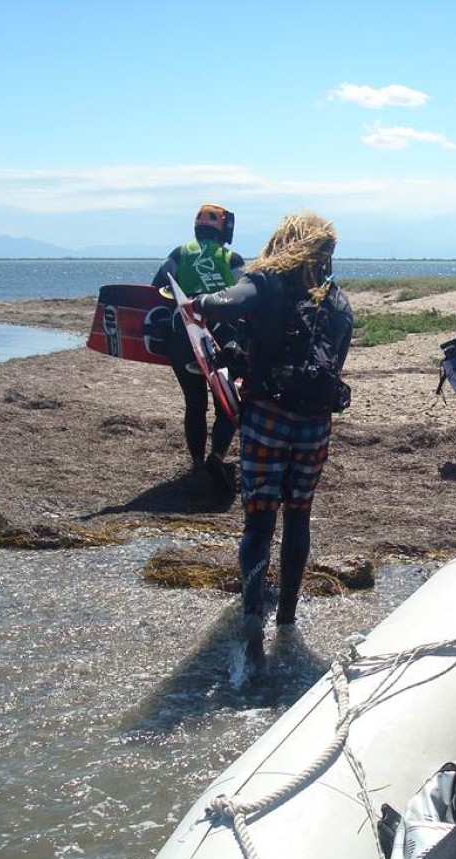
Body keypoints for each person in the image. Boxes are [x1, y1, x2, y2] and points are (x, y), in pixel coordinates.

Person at [180, 212, 353, 681]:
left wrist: (196, 303)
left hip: (267, 420)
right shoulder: (338, 301)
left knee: (259, 522)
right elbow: (336, 362)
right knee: (299, 516)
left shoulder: (265, 281)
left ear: (284, 240)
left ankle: (253, 616)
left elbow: (225, 303)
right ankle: (288, 621)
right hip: (314, 426)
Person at [152, 203, 247, 493]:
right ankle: (216, 457)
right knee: (228, 403)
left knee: (194, 403)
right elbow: (247, 294)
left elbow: (156, 287)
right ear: (223, 229)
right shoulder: (231, 258)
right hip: (221, 337)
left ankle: (196, 464)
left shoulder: (179, 254)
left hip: (183, 335)